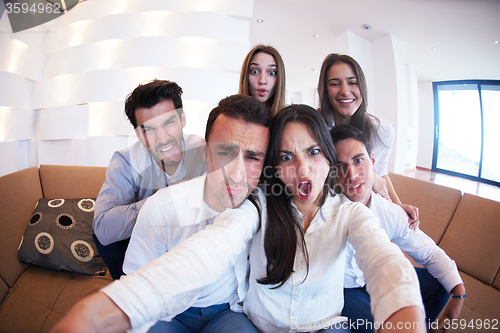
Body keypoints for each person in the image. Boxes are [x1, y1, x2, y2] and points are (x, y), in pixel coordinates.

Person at [50, 106, 425, 333]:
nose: (303, 167)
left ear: (328, 157)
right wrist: (104, 310)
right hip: (211, 317)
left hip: (309, 323)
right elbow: (208, 251)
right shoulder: (256, 206)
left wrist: (404, 308)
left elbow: (382, 258)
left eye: (313, 151)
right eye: (287, 157)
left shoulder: (351, 213)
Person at [122, 94, 270, 332]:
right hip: (168, 313)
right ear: (204, 151)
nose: (237, 174)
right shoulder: (161, 208)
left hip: (228, 312)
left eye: (252, 157)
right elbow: (135, 284)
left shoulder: (264, 209)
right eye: (225, 152)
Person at [330, 124, 466, 333]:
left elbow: (429, 252)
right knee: (378, 324)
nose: (352, 174)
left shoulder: (390, 211)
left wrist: (458, 291)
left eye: (358, 160)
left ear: (373, 162)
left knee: (439, 283)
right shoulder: (323, 209)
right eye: (341, 166)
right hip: (345, 290)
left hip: (377, 278)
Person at [92, 79, 207, 279]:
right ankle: (133, 296)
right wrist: (168, 198)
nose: (162, 139)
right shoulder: (126, 161)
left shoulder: (204, 150)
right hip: (148, 256)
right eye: (149, 129)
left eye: (169, 122)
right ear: (138, 134)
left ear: (183, 119)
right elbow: (103, 229)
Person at [317, 53, 418, 224]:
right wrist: (373, 179)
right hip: (325, 210)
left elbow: (382, 172)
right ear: (325, 91)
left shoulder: (382, 131)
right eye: (335, 84)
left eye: (352, 82)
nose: (344, 91)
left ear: (362, 86)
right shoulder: (315, 127)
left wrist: (397, 206)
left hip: (364, 212)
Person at [238, 44, 286, 116]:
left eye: (271, 73)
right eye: (254, 71)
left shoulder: (286, 122)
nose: (262, 81)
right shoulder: (230, 118)